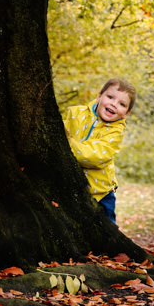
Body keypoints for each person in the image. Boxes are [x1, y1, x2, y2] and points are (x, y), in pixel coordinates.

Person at [62, 78, 136, 224]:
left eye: (122, 104)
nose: (114, 104)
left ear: (127, 113)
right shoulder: (75, 113)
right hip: (72, 186)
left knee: (107, 226)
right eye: (110, 97)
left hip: (101, 192)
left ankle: (112, 244)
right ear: (99, 96)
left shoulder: (116, 132)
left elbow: (93, 156)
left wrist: (67, 144)